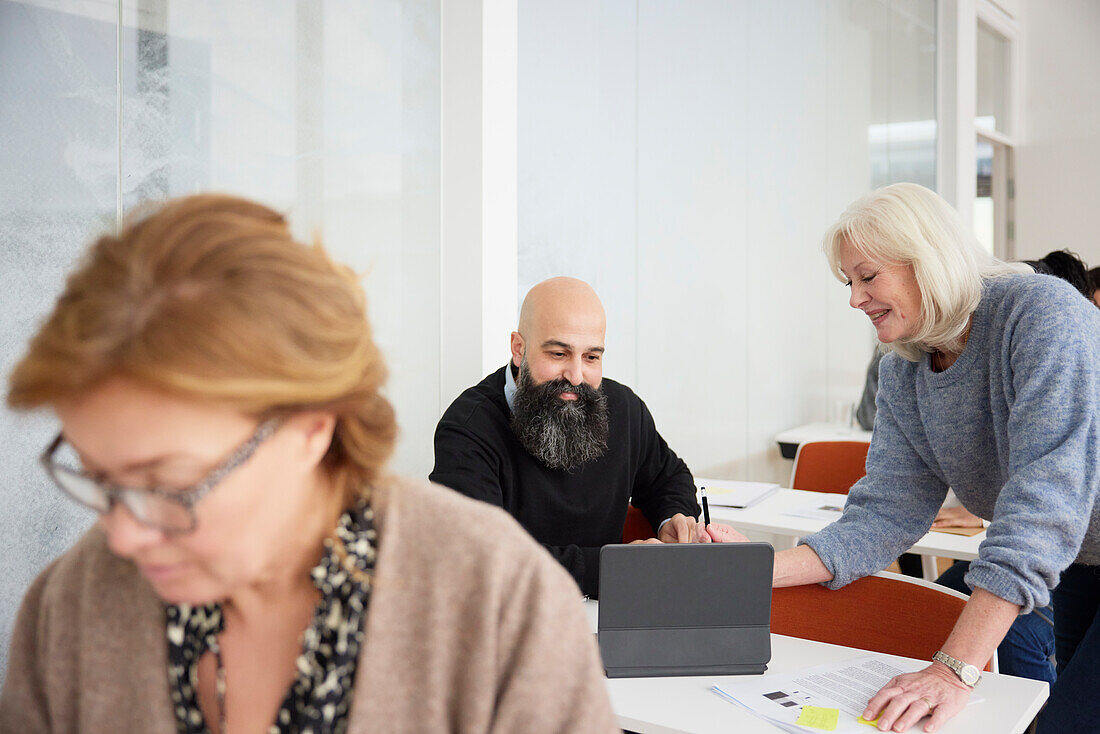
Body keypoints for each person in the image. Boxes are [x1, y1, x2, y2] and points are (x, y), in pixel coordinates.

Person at [0, 195, 619, 733]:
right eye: (101, 479)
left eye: (170, 484)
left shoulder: (495, 606)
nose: (122, 535)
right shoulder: (70, 610)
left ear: (311, 428)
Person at [713, 183, 1100, 734]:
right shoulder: (903, 366)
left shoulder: (1042, 314)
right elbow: (885, 514)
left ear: (930, 261)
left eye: (868, 277)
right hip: (1085, 554)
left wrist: (953, 670)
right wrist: (752, 573)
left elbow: (1045, 502)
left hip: (1070, 534)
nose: (854, 298)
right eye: (849, 282)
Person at [430, 277, 736, 597]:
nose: (576, 376)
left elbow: (668, 476)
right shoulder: (467, 429)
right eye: (559, 354)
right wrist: (615, 568)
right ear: (519, 349)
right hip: (506, 620)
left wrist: (673, 518)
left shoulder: (624, 409)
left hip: (609, 617)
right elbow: (482, 556)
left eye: (591, 357)